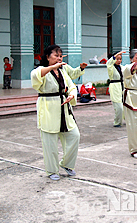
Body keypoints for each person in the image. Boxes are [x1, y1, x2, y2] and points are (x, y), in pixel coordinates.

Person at [31, 45, 80, 181]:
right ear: (47, 57)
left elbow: (71, 86)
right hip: (48, 107)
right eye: (56, 55)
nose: (59, 58)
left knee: (74, 135)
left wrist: (71, 95)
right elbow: (36, 76)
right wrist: (52, 68)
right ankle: (52, 170)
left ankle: (66, 164)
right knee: (50, 142)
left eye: (60, 56)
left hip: (63, 107)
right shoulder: (41, 70)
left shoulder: (63, 72)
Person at [107, 51, 125, 127]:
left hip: (122, 86)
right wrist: (116, 55)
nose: (119, 61)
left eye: (120, 59)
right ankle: (117, 122)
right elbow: (109, 63)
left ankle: (124, 119)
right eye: (117, 59)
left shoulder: (122, 67)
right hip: (114, 86)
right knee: (119, 107)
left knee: (125, 106)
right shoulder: (110, 67)